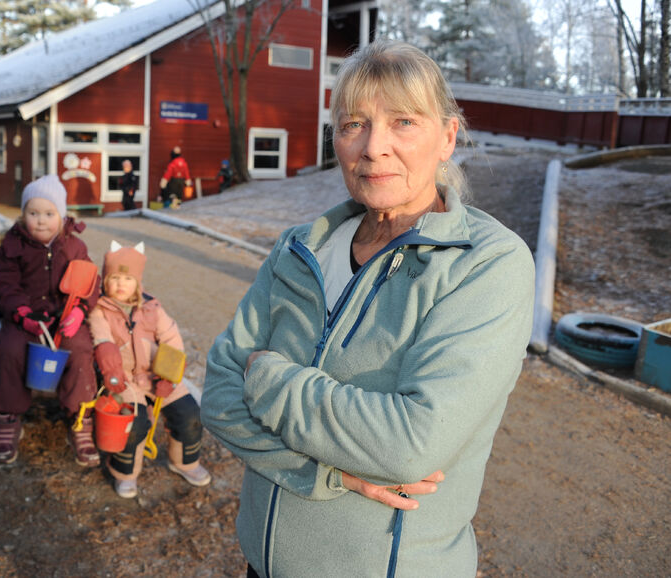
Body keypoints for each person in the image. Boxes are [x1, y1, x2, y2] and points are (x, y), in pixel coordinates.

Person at [200, 41, 535, 577]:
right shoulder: (299, 248)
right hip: (260, 566)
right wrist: (329, 473)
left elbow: (411, 443)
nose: (374, 147)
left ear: (447, 137)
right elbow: (217, 396)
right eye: (354, 124)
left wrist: (266, 379)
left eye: (403, 121)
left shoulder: (487, 264)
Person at [0, 175, 101, 466]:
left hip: (63, 317)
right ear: (23, 215)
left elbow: (90, 282)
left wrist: (79, 312)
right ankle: (9, 416)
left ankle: (80, 417)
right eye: (33, 213)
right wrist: (20, 313)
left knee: (81, 350)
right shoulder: (13, 246)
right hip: (25, 317)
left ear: (61, 216)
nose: (40, 221)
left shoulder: (74, 247)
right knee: (9, 350)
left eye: (49, 214)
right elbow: (3, 284)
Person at [88, 241, 211, 498]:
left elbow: (172, 340)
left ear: (138, 281)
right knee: (133, 423)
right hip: (123, 380)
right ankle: (125, 474)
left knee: (189, 413)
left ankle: (183, 462)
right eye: (115, 278)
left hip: (156, 374)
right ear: (105, 281)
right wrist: (112, 374)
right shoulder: (100, 310)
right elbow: (103, 341)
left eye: (128, 278)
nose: (121, 284)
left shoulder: (151, 308)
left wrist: (167, 375)